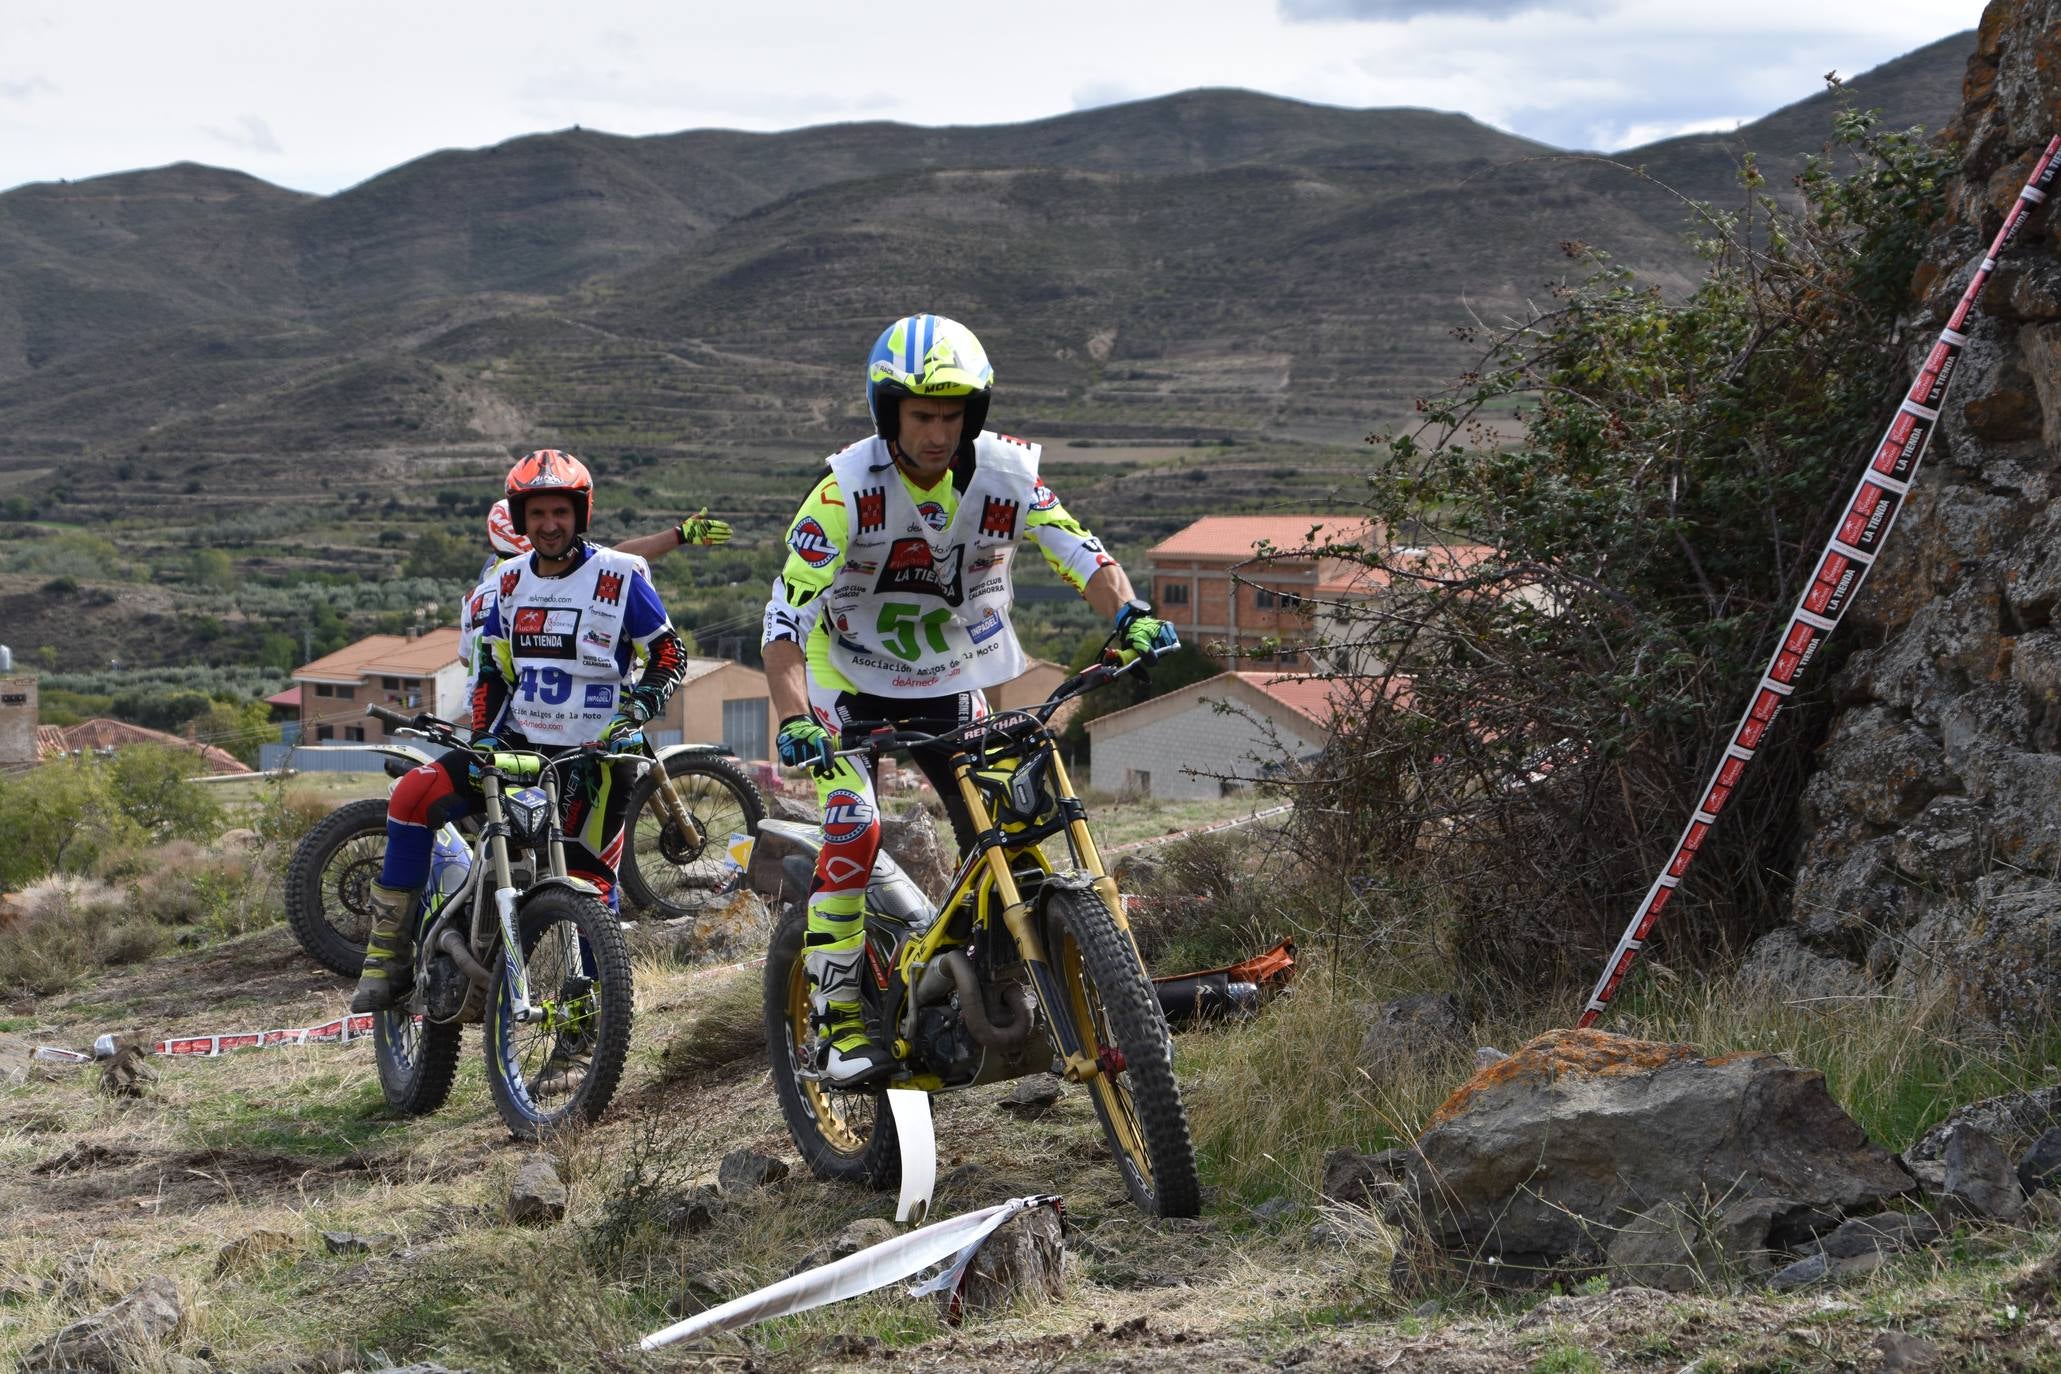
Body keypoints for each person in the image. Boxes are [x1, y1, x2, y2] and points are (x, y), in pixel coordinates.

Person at [760, 313, 1178, 1085]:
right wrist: (792, 717)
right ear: (889, 414)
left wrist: (1130, 614)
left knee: (1009, 828)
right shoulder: (842, 491)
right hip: (844, 681)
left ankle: (1000, 978)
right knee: (853, 828)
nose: (935, 431)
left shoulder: (1007, 475)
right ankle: (837, 1016)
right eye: (920, 414)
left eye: (951, 415)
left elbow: (1078, 550)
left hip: (948, 678)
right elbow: (783, 620)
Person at [351, 450, 690, 1013]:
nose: (549, 524)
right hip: (516, 748)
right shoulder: (504, 583)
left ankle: (585, 1026)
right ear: (521, 519)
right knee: (413, 795)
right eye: (537, 515)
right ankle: (386, 955)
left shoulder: (620, 575)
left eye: (560, 511)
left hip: (598, 756)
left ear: (580, 514)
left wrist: (635, 712)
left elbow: (669, 653)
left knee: (592, 889)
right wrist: (484, 733)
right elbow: (491, 671)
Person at [460, 498, 730, 674]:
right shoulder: (528, 578)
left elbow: (464, 659)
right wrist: (679, 535)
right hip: (533, 717)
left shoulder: (476, 595)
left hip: (481, 718)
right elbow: (610, 562)